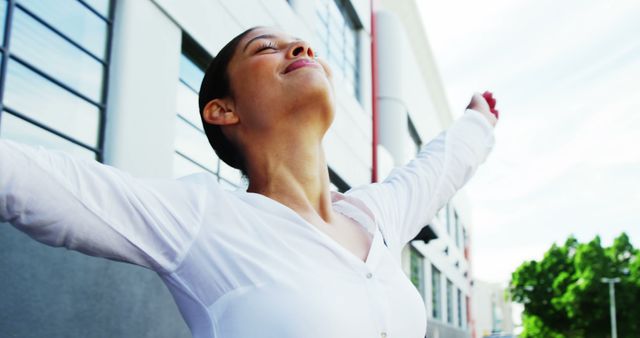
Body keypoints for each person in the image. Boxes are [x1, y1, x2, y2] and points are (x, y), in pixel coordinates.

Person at [0, 26, 498, 338]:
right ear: (223, 110)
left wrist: (477, 124)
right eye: (266, 47)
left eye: (302, 45)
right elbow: (35, 181)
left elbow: (434, 172)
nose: (301, 47)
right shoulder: (206, 219)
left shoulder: (372, 216)